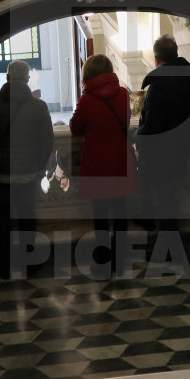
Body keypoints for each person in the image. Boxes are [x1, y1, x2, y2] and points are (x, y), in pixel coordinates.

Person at [0, 60, 54, 279]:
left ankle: (3, 267)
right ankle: (30, 264)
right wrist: (39, 167)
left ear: (7, 78)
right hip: (28, 174)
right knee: (28, 218)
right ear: (27, 79)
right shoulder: (40, 106)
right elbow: (47, 141)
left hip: (0, 176)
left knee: (2, 221)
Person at [69, 54, 138, 276]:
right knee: (120, 213)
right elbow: (126, 121)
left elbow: (75, 128)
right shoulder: (123, 94)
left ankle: (103, 260)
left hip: (97, 164)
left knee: (100, 215)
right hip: (119, 160)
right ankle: (121, 260)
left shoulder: (87, 100)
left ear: (88, 73)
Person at [136, 34, 190, 231]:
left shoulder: (159, 86)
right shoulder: (189, 78)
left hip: (159, 153)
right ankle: (152, 224)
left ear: (156, 59)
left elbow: (152, 128)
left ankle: (165, 249)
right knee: (164, 199)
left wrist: (135, 135)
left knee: (162, 202)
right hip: (180, 146)